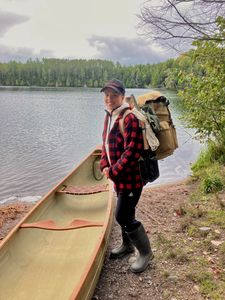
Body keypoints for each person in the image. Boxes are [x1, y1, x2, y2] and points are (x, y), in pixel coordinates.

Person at [100, 79, 154, 273]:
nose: (109, 98)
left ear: (122, 96)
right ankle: (127, 245)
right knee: (127, 213)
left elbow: (133, 151)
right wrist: (104, 164)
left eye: (114, 95)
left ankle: (146, 253)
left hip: (131, 179)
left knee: (122, 215)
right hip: (119, 178)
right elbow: (105, 144)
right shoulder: (109, 116)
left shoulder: (129, 118)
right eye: (106, 95)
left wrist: (112, 171)